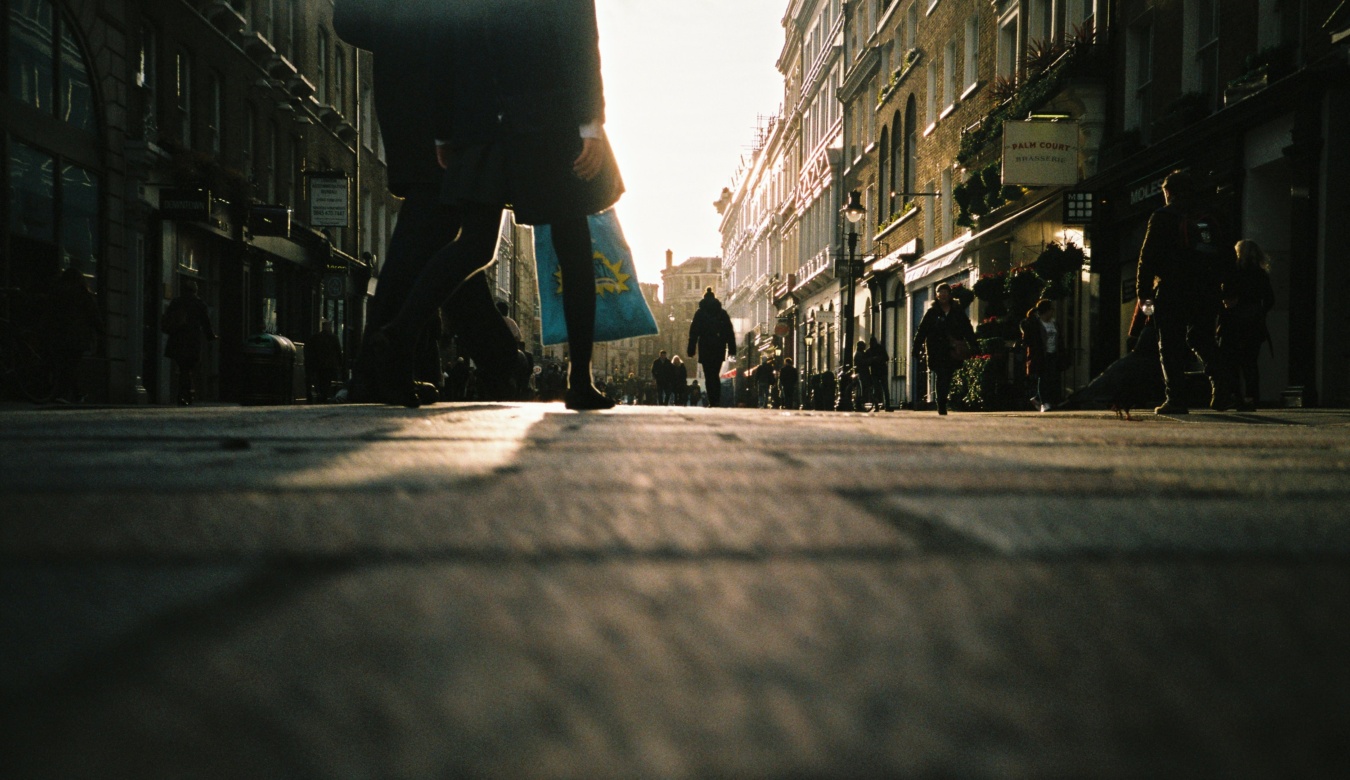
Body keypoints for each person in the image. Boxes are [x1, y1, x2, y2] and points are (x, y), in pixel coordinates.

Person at [334, 0, 537, 406]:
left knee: (450, 243)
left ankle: (497, 361)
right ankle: (379, 365)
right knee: (432, 233)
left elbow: (350, 20)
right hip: (447, 105)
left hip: (416, 97)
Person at [1136, 170, 1233, 414]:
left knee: (1169, 343)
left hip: (1173, 288)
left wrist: (1144, 292)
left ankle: (1176, 399)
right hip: (1206, 288)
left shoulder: (1163, 215)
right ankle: (1221, 385)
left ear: (1168, 192)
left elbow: (1147, 258)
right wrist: (1227, 288)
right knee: (1203, 338)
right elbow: (1228, 254)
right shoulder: (1213, 215)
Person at [1219, 239, 1276, 411]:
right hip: (1253, 323)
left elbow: (1224, 294)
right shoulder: (1260, 274)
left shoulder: (1233, 272)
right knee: (1250, 362)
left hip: (1233, 322)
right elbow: (1270, 300)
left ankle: (1236, 397)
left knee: (1232, 362)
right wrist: (1259, 311)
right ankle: (1252, 398)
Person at [912, 283, 975, 416]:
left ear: (949, 294)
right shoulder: (932, 312)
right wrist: (916, 349)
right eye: (940, 292)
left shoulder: (957, 310)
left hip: (952, 350)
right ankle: (941, 405)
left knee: (948, 376)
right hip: (937, 350)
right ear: (936, 295)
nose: (943, 295)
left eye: (945, 292)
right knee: (942, 375)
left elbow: (967, 328)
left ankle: (942, 402)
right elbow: (922, 331)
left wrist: (974, 345)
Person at [46, 268, 104, 404]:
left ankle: (71, 394)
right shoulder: (82, 293)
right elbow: (93, 314)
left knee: (65, 365)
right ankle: (72, 395)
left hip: (61, 335)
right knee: (70, 365)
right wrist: (101, 331)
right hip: (78, 336)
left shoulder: (57, 292)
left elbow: (50, 313)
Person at [162, 279, 216, 406]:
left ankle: (184, 395)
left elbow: (168, 319)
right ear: (195, 291)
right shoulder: (199, 304)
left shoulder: (176, 302)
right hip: (192, 341)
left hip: (177, 340)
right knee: (188, 369)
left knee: (182, 368)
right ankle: (186, 395)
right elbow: (206, 323)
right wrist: (211, 336)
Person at [687, 287, 737, 407]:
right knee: (715, 374)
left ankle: (712, 400)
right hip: (719, 347)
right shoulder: (722, 313)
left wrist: (691, 349)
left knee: (708, 375)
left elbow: (693, 332)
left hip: (705, 347)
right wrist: (732, 349)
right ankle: (716, 400)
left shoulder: (699, 313)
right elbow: (729, 332)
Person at [1021, 299, 1062, 412]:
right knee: (1043, 378)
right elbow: (1028, 339)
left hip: (1053, 353)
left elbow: (1059, 338)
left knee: (1051, 378)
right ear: (1046, 311)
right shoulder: (1035, 323)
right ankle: (1044, 403)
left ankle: (1037, 398)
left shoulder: (1054, 323)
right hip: (1041, 355)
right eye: (1051, 310)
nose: (1052, 312)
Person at [304, 319, 344, 403]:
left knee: (319, 380)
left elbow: (310, 350)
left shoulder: (316, 337)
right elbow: (338, 352)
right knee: (327, 382)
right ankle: (324, 396)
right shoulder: (334, 338)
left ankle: (320, 394)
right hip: (329, 365)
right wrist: (340, 364)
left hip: (318, 364)